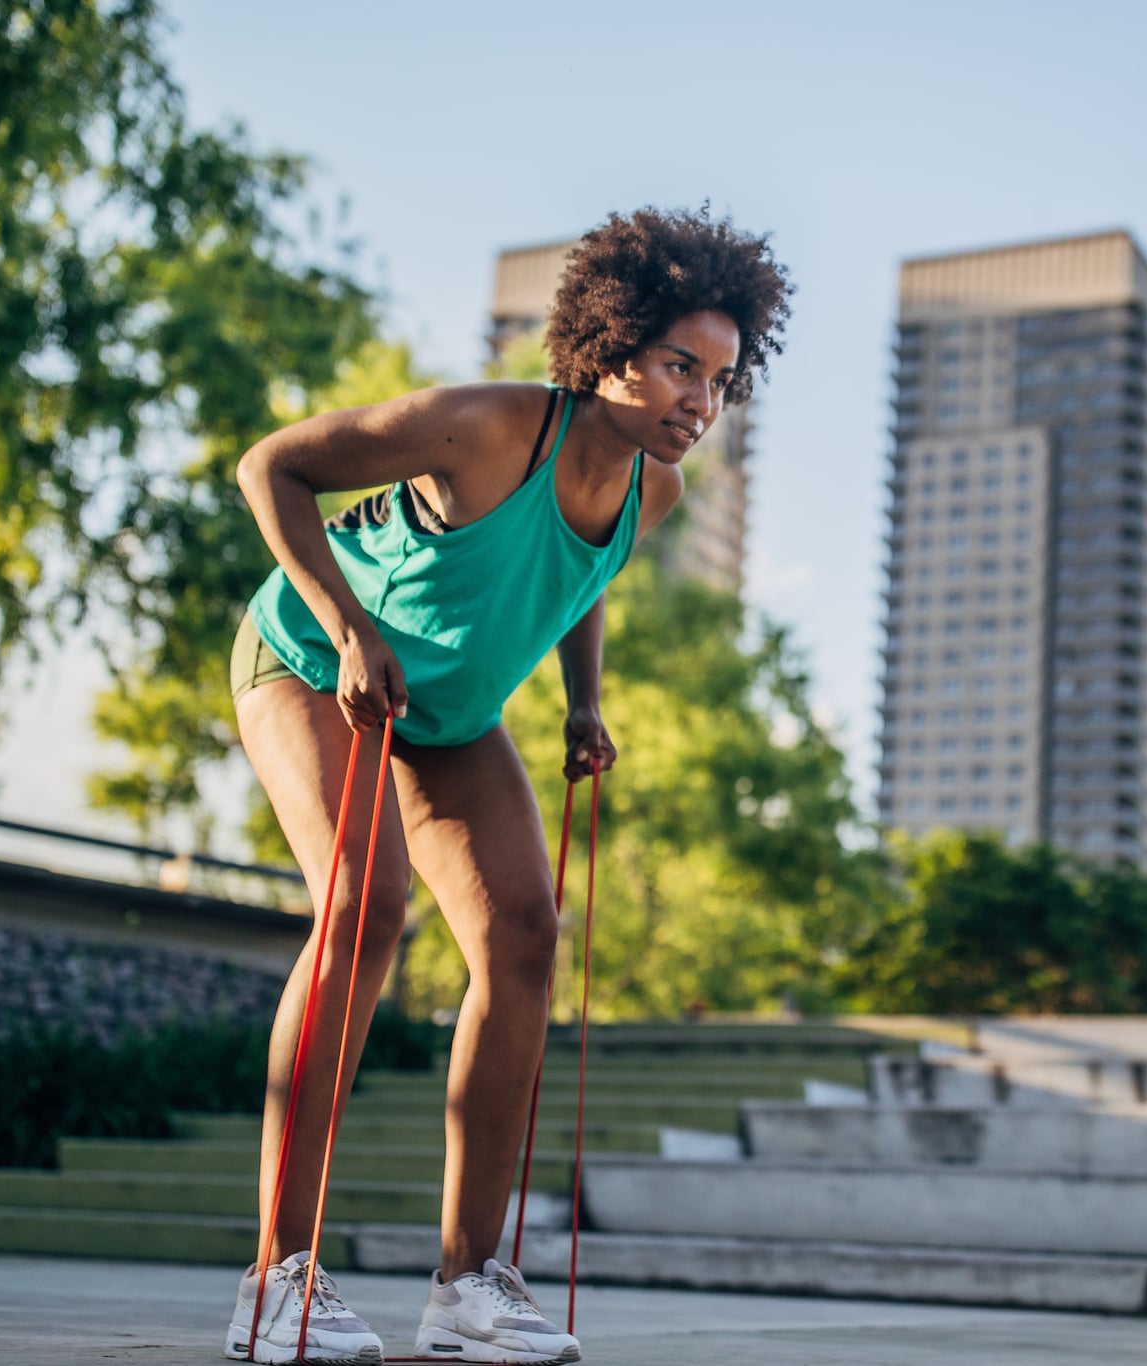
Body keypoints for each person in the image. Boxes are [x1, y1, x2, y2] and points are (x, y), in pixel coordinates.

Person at [219, 207, 792, 1364]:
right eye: (680, 364)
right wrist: (342, 628)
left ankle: (466, 1287)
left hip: (451, 719)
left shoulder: (652, 495)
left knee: (524, 932)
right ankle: (277, 1279)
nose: (699, 399)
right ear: (611, 345)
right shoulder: (486, 428)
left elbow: (580, 583)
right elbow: (270, 466)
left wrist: (584, 702)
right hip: (309, 665)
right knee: (367, 904)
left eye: (722, 380)